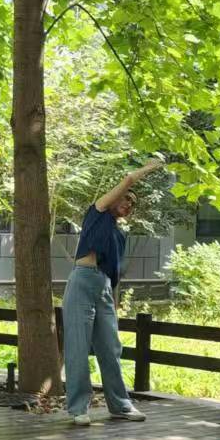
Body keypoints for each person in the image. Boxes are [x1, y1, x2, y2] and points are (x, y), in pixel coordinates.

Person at [62, 158, 163, 425]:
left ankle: (120, 405)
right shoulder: (96, 213)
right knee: (77, 347)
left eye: (133, 204)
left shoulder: (119, 235)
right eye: (126, 198)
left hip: (104, 288)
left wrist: (112, 300)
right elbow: (127, 180)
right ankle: (78, 408)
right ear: (115, 197)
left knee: (111, 347)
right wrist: (147, 169)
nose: (129, 204)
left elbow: (113, 273)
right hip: (82, 282)